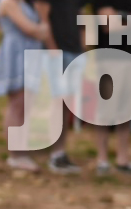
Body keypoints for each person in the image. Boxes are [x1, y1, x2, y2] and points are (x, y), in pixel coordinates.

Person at [93, 1, 131, 176]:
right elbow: (110, 26)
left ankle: (123, 160)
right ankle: (102, 160)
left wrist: (123, 19)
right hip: (108, 58)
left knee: (126, 111)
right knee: (106, 110)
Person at [33, 0, 85, 174]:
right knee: (56, 103)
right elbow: (42, 16)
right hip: (56, 52)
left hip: (74, 51)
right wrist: (52, 48)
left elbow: (80, 16)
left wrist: (82, 47)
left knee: (65, 105)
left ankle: (60, 153)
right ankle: (53, 155)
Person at [0, 0, 51, 173]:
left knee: (26, 105)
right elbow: (30, 29)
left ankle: (22, 150)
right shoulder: (9, 3)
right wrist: (40, 29)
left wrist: (41, 29)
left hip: (30, 53)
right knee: (17, 104)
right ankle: (16, 155)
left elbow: (41, 31)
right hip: (17, 54)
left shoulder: (26, 4)